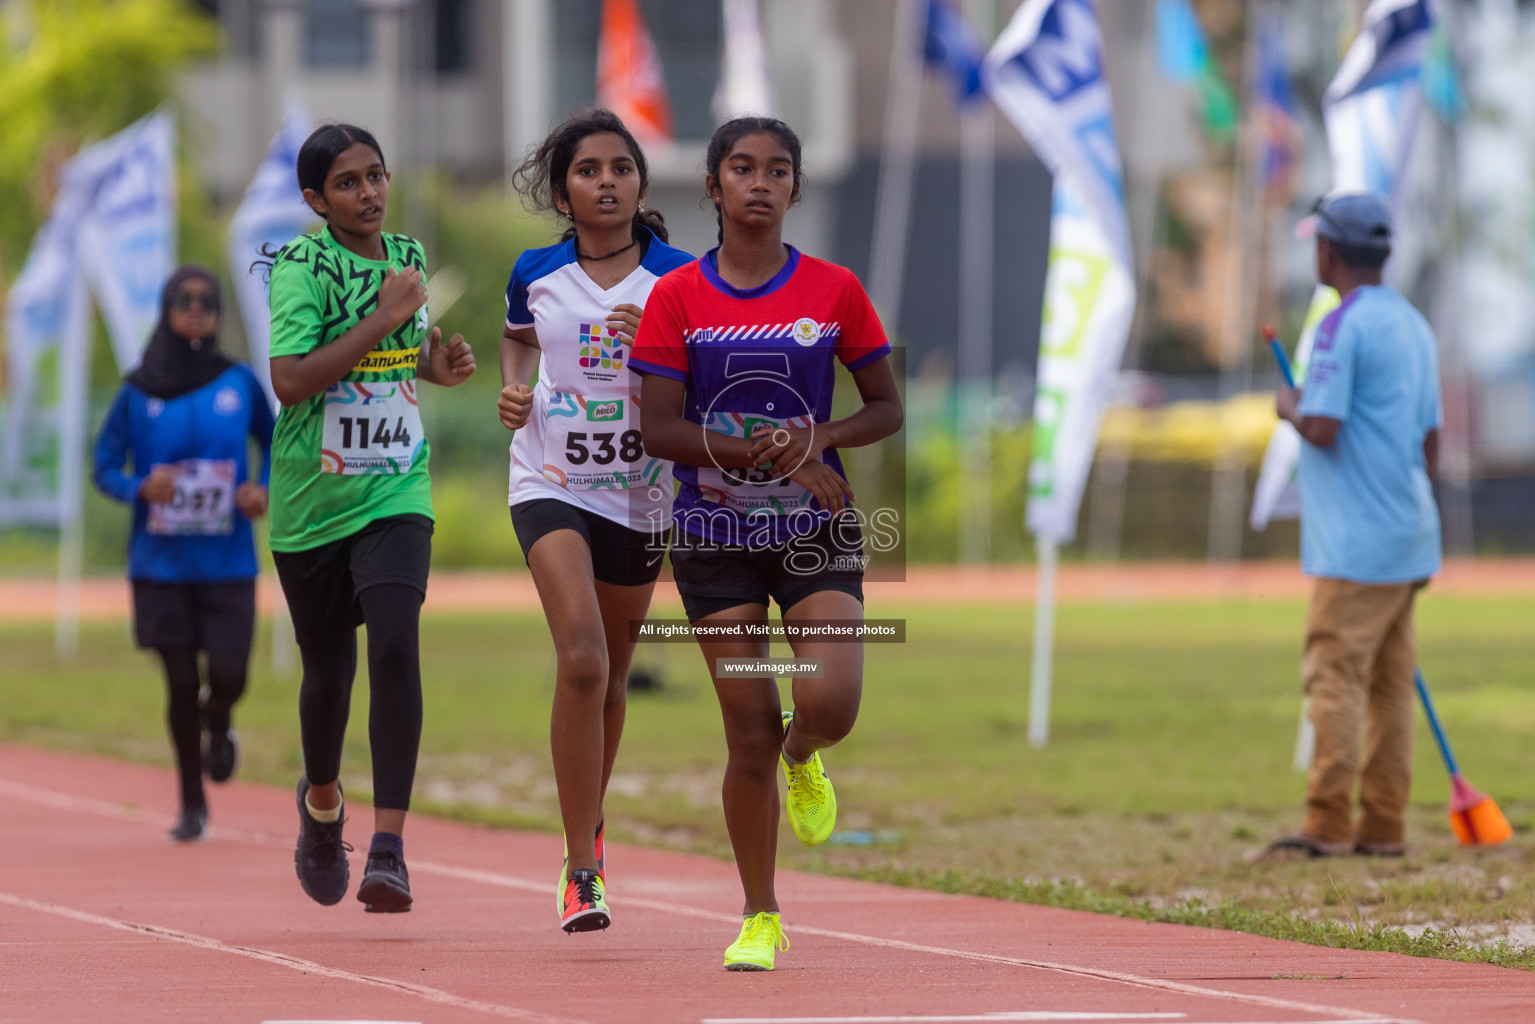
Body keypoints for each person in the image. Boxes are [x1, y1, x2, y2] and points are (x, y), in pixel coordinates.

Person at [630, 117, 903, 970]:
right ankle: (759, 915)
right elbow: (659, 430)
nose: (759, 182)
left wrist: (820, 439)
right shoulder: (677, 298)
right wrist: (764, 448)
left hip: (813, 530)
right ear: (711, 186)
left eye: (776, 170)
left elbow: (886, 407)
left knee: (831, 703)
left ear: (794, 188)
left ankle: (804, 752)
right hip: (714, 538)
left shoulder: (833, 290)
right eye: (741, 169)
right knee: (743, 727)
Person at [266, 123, 476, 913]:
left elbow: (407, 354)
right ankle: (322, 807)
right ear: (316, 199)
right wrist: (386, 321)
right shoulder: (301, 269)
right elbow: (292, 381)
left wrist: (437, 365)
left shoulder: (410, 257)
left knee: (394, 646)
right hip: (311, 501)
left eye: (378, 176)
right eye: (349, 183)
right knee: (328, 675)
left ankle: (388, 849)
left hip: (395, 486)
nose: (370, 193)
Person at [497, 109, 694, 933]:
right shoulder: (534, 271)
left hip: (641, 493)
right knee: (579, 657)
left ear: (640, 184)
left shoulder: (682, 278)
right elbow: (519, 341)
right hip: (550, 479)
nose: (606, 181)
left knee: (611, 675)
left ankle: (593, 828)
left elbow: (714, 388)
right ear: (561, 190)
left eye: (620, 168)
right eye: (588, 170)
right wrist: (512, 390)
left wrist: (656, 351)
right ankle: (582, 869)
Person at [1266, 190, 1442, 860]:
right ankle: (1383, 825)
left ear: (1328, 251)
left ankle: (1327, 824)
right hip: (1410, 532)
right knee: (1391, 686)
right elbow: (1430, 444)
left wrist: (1286, 404)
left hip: (1354, 545)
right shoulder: (1414, 324)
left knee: (1334, 677)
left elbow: (1320, 425)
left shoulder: (1342, 325)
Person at [93, 266, 275, 843]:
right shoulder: (137, 389)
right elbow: (103, 466)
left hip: (227, 561)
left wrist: (262, 487)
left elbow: (275, 441)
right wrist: (138, 487)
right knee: (176, 683)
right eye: (184, 300)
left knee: (229, 675)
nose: (196, 309)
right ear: (166, 308)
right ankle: (191, 803)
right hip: (160, 564)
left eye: (207, 300)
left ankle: (218, 719)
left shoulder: (239, 382)